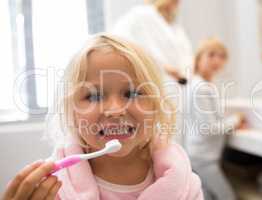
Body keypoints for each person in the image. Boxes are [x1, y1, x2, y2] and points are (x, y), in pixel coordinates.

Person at [2, 34, 203, 200]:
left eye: (132, 93)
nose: (115, 110)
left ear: (157, 105)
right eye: (94, 96)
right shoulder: (51, 189)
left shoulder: (185, 187)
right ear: (71, 112)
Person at [183, 38, 244, 200]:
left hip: (199, 153)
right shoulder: (201, 88)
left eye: (222, 56)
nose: (217, 60)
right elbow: (210, 128)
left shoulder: (198, 84)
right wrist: (236, 120)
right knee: (228, 197)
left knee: (207, 196)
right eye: (211, 55)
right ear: (199, 58)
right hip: (204, 157)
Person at [112, 0, 193, 83]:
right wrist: (165, 67)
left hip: (176, 82)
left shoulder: (175, 27)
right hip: (155, 77)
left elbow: (185, 53)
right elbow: (125, 41)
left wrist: (184, 73)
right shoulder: (142, 14)